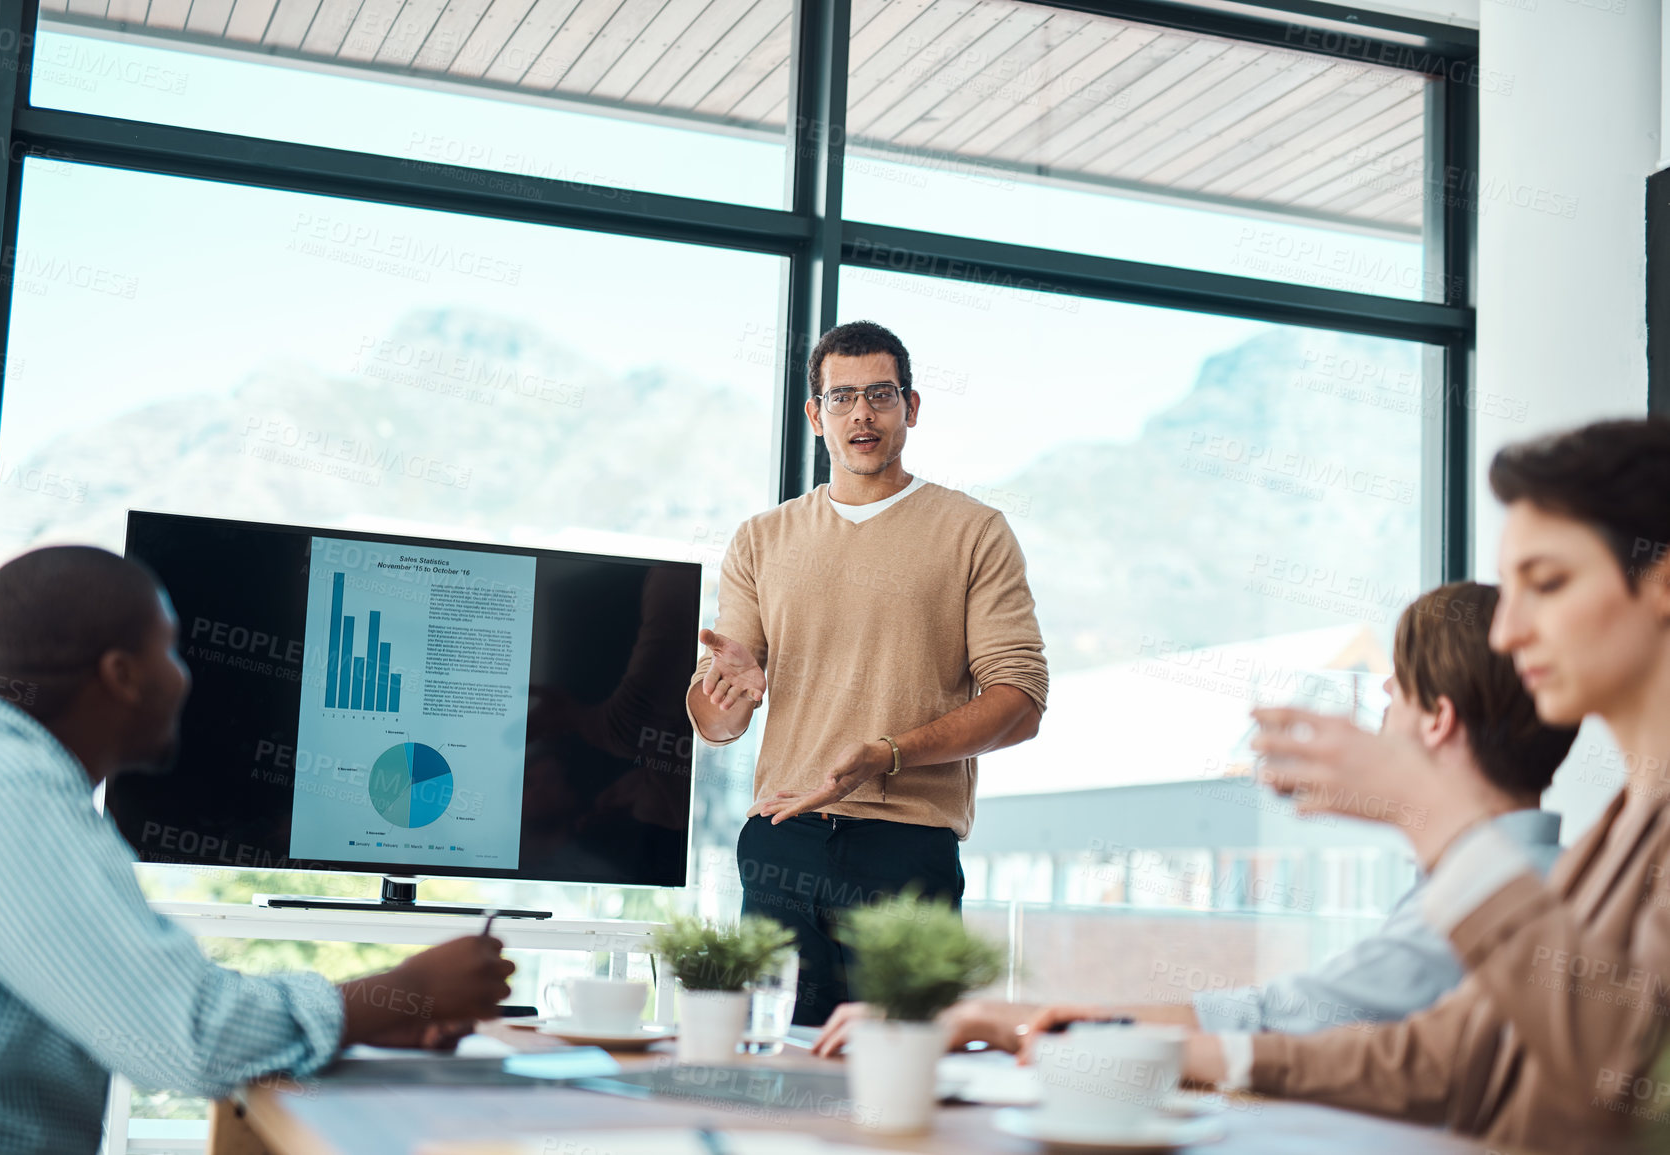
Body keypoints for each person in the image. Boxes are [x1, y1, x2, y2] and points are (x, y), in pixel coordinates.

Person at [1096, 416, 1670, 1155]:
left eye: (1549, 583)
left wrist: (1435, 814)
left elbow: (1615, 1070)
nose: (1507, 631)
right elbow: (1453, 1053)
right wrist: (1189, 1054)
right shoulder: (1620, 825)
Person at [813, 581, 1577, 1056]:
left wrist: (990, 1019)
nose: (1377, 713)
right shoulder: (1521, 880)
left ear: (1437, 720)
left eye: (1393, 699)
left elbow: (1275, 1024)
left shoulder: (1493, 899)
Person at [0, 546, 515, 1155]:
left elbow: (147, 991)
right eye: (169, 649)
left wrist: (376, 1018)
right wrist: (410, 987)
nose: (184, 676)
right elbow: (190, 1040)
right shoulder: (12, 799)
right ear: (122, 676)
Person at [685, 321, 1049, 1025]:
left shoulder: (974, 531)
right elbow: (717, 723)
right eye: (842, 396)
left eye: (879, 395)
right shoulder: (761, 538)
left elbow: (1020, 700)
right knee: (776, 1072)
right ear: (814, 414)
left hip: (905, 847)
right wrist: (727, 689)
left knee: (898, 1072)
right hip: (781, 836)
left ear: (910, 407)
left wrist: (888, 754)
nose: (862, 413)